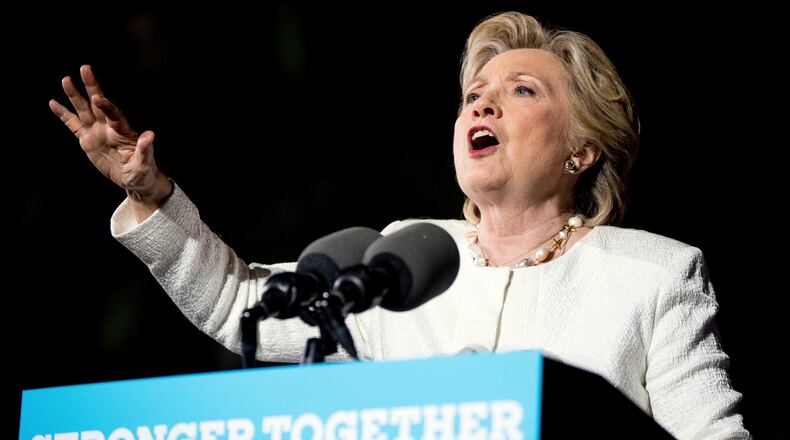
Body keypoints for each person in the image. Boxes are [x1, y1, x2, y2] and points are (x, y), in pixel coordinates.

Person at [49, 11, 749, 439]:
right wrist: (152, 194)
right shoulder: (401, 263)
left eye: (521, 91)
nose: (483, 107)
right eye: (474, 96)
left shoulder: (654, 275)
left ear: (582, 147)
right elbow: (241, 306)